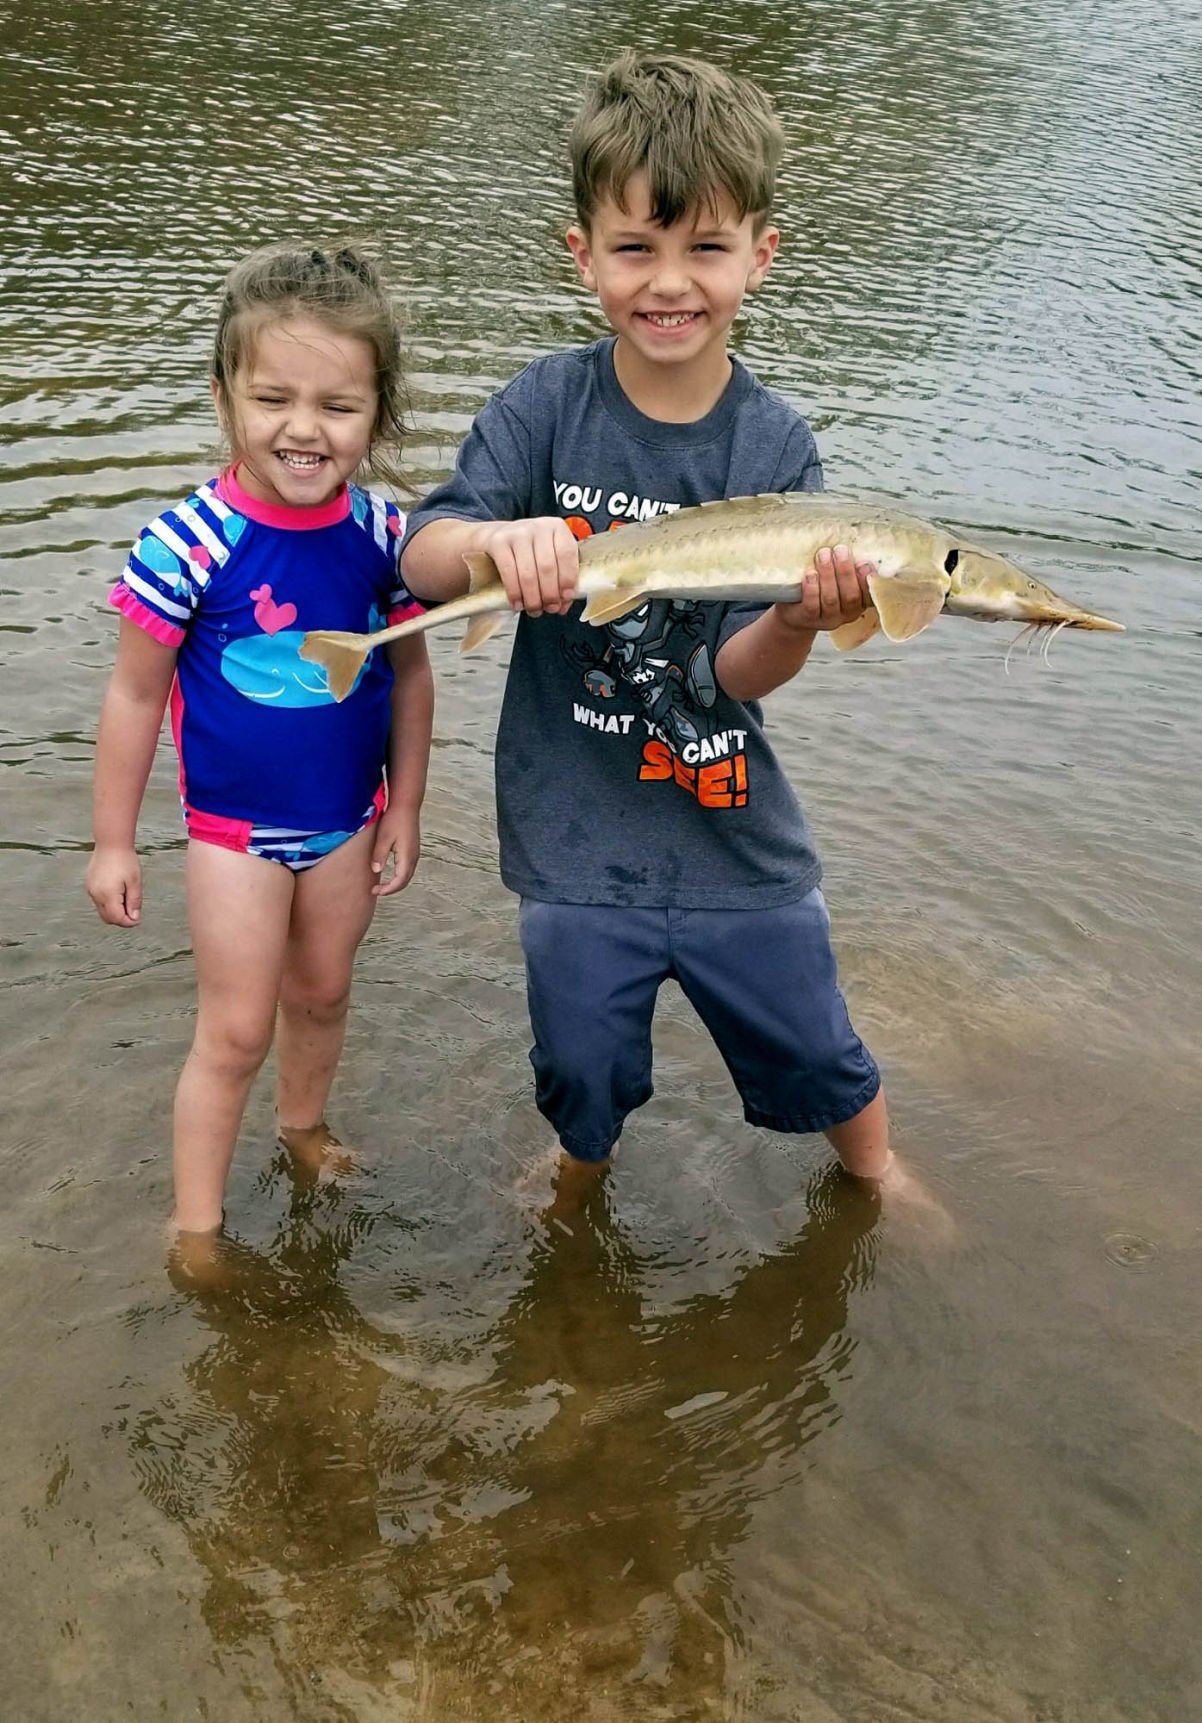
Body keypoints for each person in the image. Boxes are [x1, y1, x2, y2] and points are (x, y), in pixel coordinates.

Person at [400, 50, 915, 1209]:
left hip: (732, 828)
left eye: (704, 249)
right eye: (635, 249)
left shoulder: (777, 449)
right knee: (579, 1060)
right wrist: (493, 545)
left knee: (814, 1042)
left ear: (759, 255)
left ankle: (879, 1176)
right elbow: (422, 558)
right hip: (573, 827)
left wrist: (795, 614)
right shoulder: (541, 406)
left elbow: (737, 673)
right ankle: (581, 1167)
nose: (668, 282)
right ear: (581, 256)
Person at [86, 242, 434, 1238]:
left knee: (322, 994)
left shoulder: (382, 536)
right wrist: (114, 840)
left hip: (344, 823)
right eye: (273, 397)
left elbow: (410, 672)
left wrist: (403, 804)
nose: (302, 428)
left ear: (377, 409)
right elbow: (132, 696)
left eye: (337, 405)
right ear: (223, 395)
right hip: (232, 834)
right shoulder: (187, 543)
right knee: (234, 1029)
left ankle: (304, 1129)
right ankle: (194, 1229)